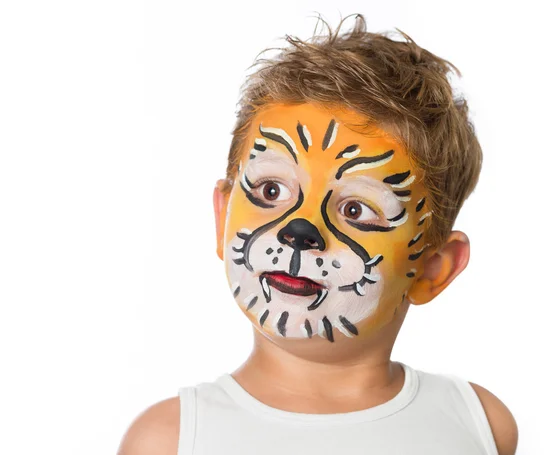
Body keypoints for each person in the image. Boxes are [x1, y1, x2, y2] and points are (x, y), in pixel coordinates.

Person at [118, 13, 518, 455]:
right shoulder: (170, 439)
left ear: (433, 268)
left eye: (355, 209)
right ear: (223, 216)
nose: (299, 231)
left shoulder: (478, 424)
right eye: (271, 190)